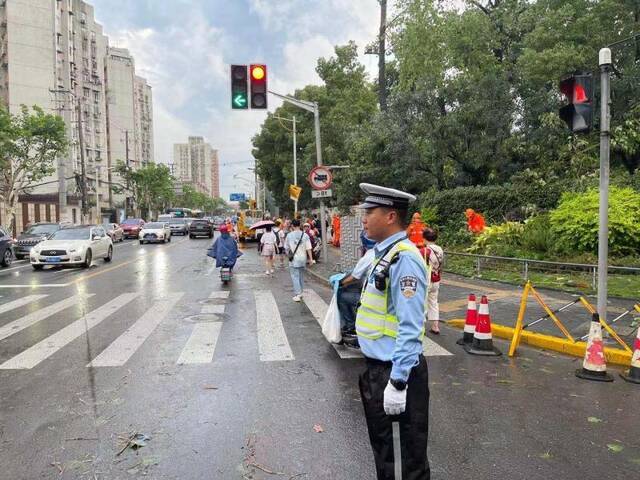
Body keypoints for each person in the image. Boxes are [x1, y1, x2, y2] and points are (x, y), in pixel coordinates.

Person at [355, 183, 430, 480]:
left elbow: (410, 327)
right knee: (388, 453)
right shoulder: (383, 254)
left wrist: (398, 382)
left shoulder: (404, 259)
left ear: (390, 216)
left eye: (369, 212)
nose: (363, 218)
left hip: (396, 373)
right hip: (378, 371)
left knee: (401, 462)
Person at [329, 248, 376, 348]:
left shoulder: (369, 255)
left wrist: (340, 283)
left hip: (371, 298)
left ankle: (351, 326)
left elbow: (354, 276)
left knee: (342, 297)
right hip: (376, 296)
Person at [285, 219, 314, 302]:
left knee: (295, 276)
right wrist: (311, 259)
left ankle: (298, 294)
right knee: (301, 276)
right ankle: (300, 292)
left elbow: (286, 247)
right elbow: (309, 248)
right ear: (299, 225)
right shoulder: (305, 235)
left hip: (294, 259)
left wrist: (289, 254)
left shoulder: (289, 235)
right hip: (303, 258)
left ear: (293, 226)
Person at [423, 227, 444, 335]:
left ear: (424, 238)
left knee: (422, 303)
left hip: (426, 280)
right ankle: (435, 326)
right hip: (436, 279)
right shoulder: (440, 249)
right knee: (433, 302)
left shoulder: (425, 250)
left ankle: (420, 326)